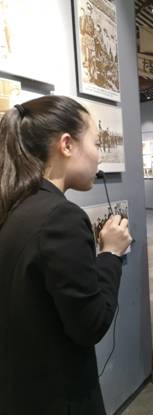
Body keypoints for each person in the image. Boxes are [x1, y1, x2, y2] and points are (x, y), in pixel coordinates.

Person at [0, 96, 132, 415]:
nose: (99, 155)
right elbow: (91, 325)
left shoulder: (14, 205)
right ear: (67, 145)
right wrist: (111, 254)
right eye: (96, 143)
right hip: (58, 396)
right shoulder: (60, 217)